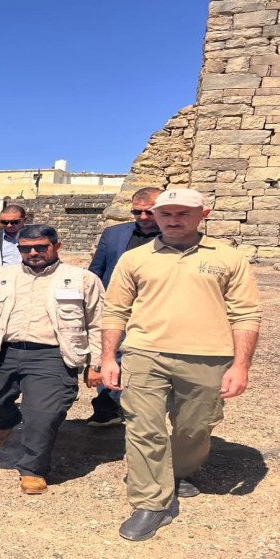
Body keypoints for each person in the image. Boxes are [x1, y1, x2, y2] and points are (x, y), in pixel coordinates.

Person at [101, 188, 260, 542]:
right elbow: (115, 310)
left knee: (195, 426)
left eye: (183, 213)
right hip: (144, 353)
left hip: (207, 356)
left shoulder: (229, 258)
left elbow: (246, 314)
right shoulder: (135, 259)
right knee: (144, 428)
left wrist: (241, 366)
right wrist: (109, 357)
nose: (173, 220)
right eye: (166, 213)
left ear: (204, 214)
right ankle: (151, 503)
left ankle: (180, 470)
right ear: (155, 216)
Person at [0, 225, 104, 495]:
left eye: (41, 247)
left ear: (57, 246)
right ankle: (6, 422)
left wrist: (95, 363)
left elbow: (98, 324)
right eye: (26, 248)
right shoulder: (2, 276)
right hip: (4, 351)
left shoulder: (82, 279)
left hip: (52, 356)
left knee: (43, 416)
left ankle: (33, 469)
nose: (33, 252)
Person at [86, 186, 163, 428]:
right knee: (110, 355)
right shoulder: (114, 234)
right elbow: (96, 271)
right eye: (137, 212)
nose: (143, 217)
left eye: (149, 212)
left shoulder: (173, 236)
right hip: (115, 307)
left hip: (155, 309)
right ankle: (107, 407)